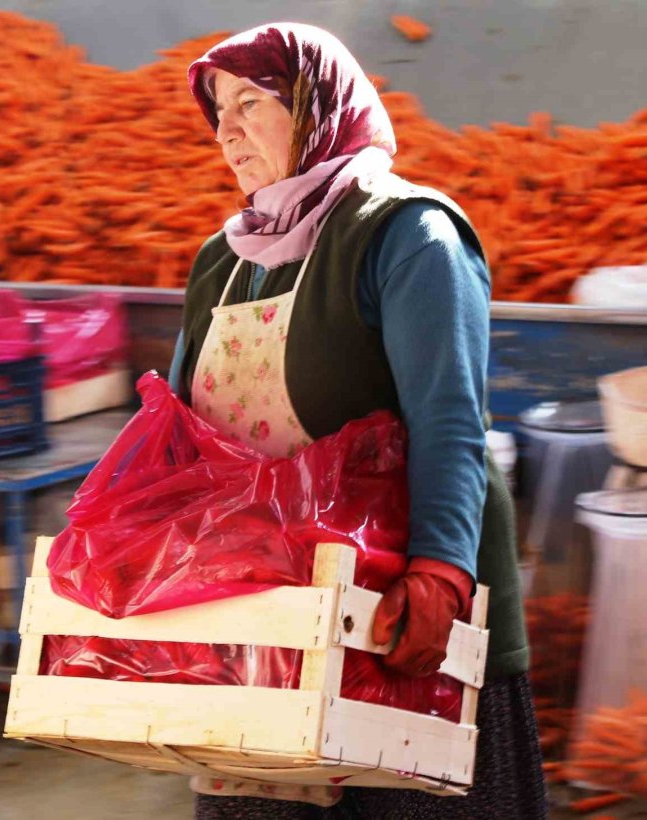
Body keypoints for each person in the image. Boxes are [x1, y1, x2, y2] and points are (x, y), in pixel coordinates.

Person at [166, 22, 547, 820]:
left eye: (249, 102)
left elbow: (448, 421)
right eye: (217, 112)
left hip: (397, 612)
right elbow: (174, 439)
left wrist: (440, 570)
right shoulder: (223, 261)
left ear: (318, 107)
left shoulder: (406, 235)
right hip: (265, 617)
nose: (227, 129)